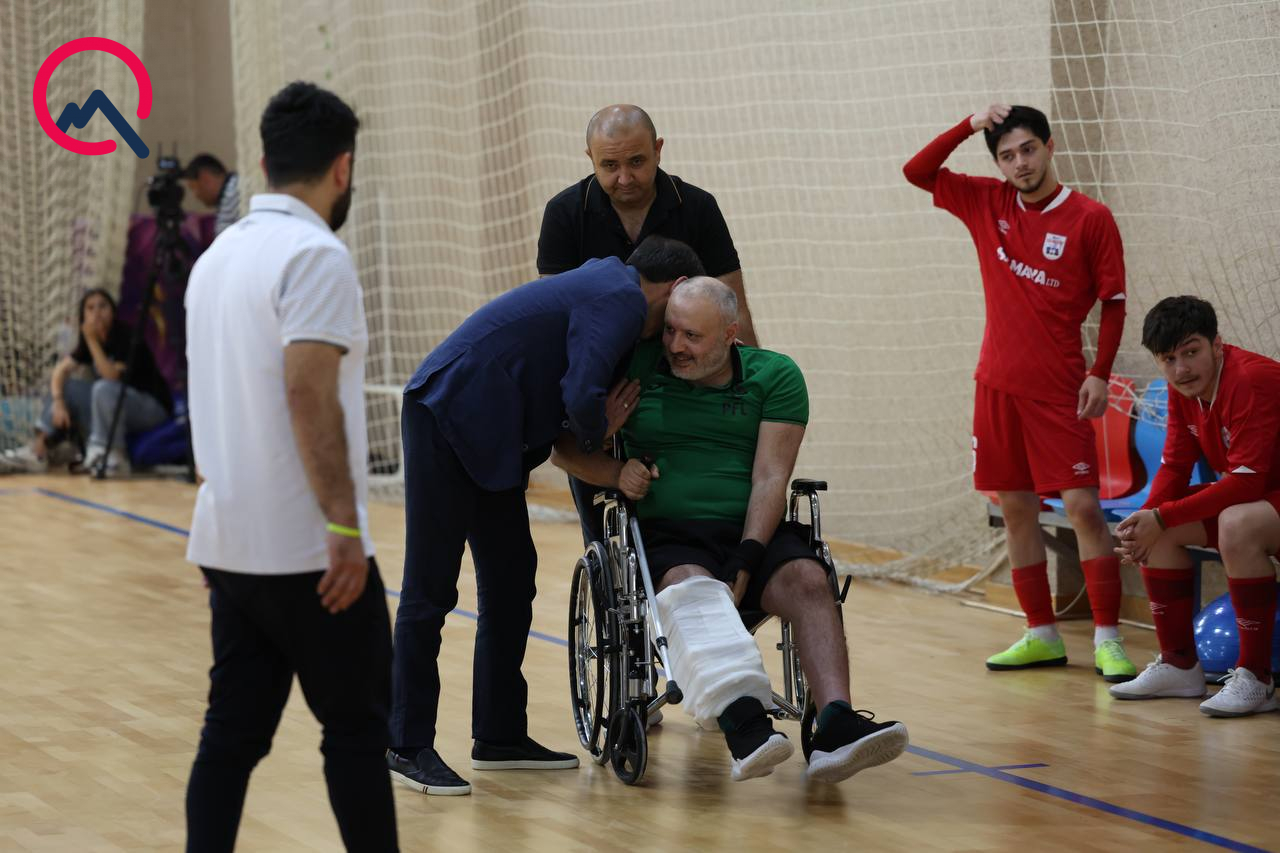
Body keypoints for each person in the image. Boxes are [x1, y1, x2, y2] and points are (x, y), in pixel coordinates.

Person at [552, 278, 909, 783]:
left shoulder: (776, 376)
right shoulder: (636, 367)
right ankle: (746, 727)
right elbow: (563, 449)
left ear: (730, 334)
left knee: (810, 580)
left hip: (750, 528)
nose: (676, 346)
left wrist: (747, 556)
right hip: (668, 534)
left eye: (692, 336)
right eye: (671, 331)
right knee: (693, 588)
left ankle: (836, 724)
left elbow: (770, 478)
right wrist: (612, 463)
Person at [388, 236, 704, 797]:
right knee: (429, 589)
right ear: (676, 288)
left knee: (512, 578)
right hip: (448, 411)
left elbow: (567, 413)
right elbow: (580, 397)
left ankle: (499, 736)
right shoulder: (621, 297)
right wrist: (599, 429)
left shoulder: (609, 284)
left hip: (492, 430)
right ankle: (403, 744)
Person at [182, 82, 397, 852]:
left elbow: (210, 398)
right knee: (357, 734)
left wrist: (221, 530)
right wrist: (342, 527)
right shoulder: (316, 255)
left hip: (231, 545)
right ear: (343, 168)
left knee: (231, 734)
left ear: (266, 162)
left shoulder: (216, 257)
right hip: (313, 554)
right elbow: (307, 393)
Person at [903, 104, 1136, 680]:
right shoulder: (988, 201)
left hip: (1059, 389)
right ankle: (1041, 634)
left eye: (1028, 149)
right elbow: (917, 171)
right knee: (1015, 509)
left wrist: (1100, 372)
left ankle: (1108, 638)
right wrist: (969, 124)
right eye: (1007, 155)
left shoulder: (1091, 218)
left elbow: (1113, 303)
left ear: (1050, 148)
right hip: (996, 386)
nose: (1020, 163)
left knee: (1083, 508)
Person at [539, 104, 757, 545]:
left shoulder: (698, 207)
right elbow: (556, 324)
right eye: (609, 166)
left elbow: (733, 309)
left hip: (682, 384)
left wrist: (751, 396)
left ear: (658, 150)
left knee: (694, 523)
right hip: (600, 382)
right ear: (590, 158)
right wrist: (584, 421)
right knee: (605, 541)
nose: (624, 178)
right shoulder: (564, 213)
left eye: (637, 161)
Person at [1110, 296, 1279, 717]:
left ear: (1216, 344)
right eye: (1169, 359)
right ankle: (1179, 664)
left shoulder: (1250, 380)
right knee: (1157, 528)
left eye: (1191, 352)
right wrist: (1145, 521)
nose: (1181, 368)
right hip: (1266, 499)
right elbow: (1174, 466)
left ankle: (1257, 678)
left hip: (1261, 496)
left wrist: (1160, 515)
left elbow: (1247, 482)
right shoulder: (1184, 389)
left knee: (1235, 522)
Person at [0, 287, 171, 477]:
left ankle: (112, 456)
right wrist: (58, 402)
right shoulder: (91, 342)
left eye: (102, 306)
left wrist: (91, 340)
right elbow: (59, 372)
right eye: (90, 308)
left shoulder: (127, 337)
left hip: (151, 408)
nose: (97, 312)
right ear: (83, 316)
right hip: (113, 409)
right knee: (69, 386)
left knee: (103, 388)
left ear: (113, 311)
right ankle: (37, 452)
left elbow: (110, 376)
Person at [183, 153, 241, 236]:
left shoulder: (235, 192)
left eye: (193, 188)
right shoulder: (231, 190)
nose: (196, 196)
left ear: (205, 178)